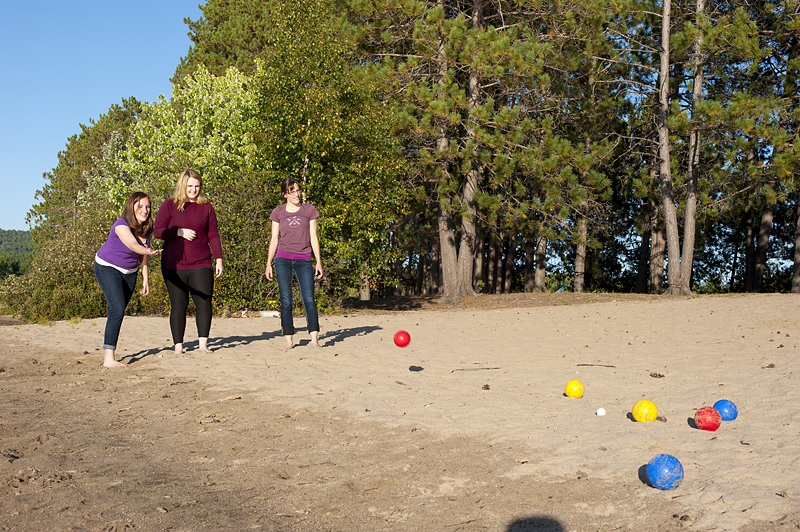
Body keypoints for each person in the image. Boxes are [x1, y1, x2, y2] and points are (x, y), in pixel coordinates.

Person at [154, 169, 223, 355]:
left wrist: (218, 258)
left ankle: (203, 345)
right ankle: (178, 347)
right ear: (182, 185)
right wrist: (178, 232)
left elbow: (213, 234)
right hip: (173, 266)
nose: (194, 190)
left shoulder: (206, 207)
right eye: (190, 186)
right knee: (178, 305)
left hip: (201, 263)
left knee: (204, 302)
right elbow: (158, 231)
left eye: (197, 186)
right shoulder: (169, 205)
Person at [94, 192, 162, 368]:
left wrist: (145, 278)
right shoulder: (121, 224)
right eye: (140, 206)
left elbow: (143, 256)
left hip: (130, 272)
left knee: (120, 310)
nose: (144, 210)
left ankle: (110, 352)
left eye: (147, 207)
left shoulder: (147, 228)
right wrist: (148, 251)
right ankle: (109, 357)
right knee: (116, 308)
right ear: (131, 207)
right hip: (107, 267)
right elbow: (133, 245)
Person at [265, 178, 323, 350]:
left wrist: (318, 261)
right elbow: (274, 239)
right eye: (292, 191)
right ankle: (289, 341)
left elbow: (313, 237)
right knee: (286, 301)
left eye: (298, 190)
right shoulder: (278, 212)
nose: (297, 194)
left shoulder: (309, 210)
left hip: (304, 259)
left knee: (309, 299)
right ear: (285, 194)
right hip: (282, 259)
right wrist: (268, 263)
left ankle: (314, 339)